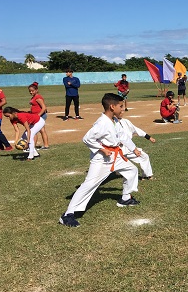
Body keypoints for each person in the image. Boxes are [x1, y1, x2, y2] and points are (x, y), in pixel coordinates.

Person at [58, 93, 142, 228]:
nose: (123, 109)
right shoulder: (102, 123)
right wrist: (102, 149)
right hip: (102, 159)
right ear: (112, 107)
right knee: (89, 184)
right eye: (121, 106)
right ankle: (67, 215)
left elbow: (123, 137)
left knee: (132, 170)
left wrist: (134, 149)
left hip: (115, 155)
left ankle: (125, 199)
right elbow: (87, 139)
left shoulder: (114, 120)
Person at [118, 116, 156, 180]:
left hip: (127, 148)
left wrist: (148, 137)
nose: (122, 111)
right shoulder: (109, 123)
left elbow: (136, 129)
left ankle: (147, 175)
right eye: (120, 108)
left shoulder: (125, 121)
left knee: (144, 156)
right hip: (115, 150)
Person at [28, 82, 49, 149]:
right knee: (41, 130)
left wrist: (38, 115)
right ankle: (45, 145)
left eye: (32, 91)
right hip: (36, 116)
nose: (31, 92)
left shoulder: (38, 97)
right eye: (30, 91)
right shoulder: (34, 97)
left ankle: (32, 147)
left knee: (34, 130)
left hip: (40, 116)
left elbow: (44, 107)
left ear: (36, 90)